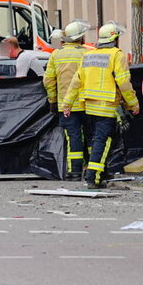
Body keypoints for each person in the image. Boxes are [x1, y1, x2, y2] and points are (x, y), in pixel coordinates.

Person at [61, 22, 139, 189]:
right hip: (107, 106)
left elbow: (76, 82)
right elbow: (124, 83)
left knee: (98, 140)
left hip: (89, 106)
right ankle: (93, 177)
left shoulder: (89, 55)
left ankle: (100, 174)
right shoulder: (117, 55)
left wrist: (67, 104)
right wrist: (133, 104)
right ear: (115, 39)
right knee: (103, 142)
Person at [45, 20, 90, 180]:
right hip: (88, 104)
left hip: (66, 106)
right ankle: (93, 171)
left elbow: (48, 80)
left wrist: (52, 100)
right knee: (92, 136)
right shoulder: (87, 54)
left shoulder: (56, 55)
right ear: (81, 38)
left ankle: (74, 172)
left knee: (73, 137)